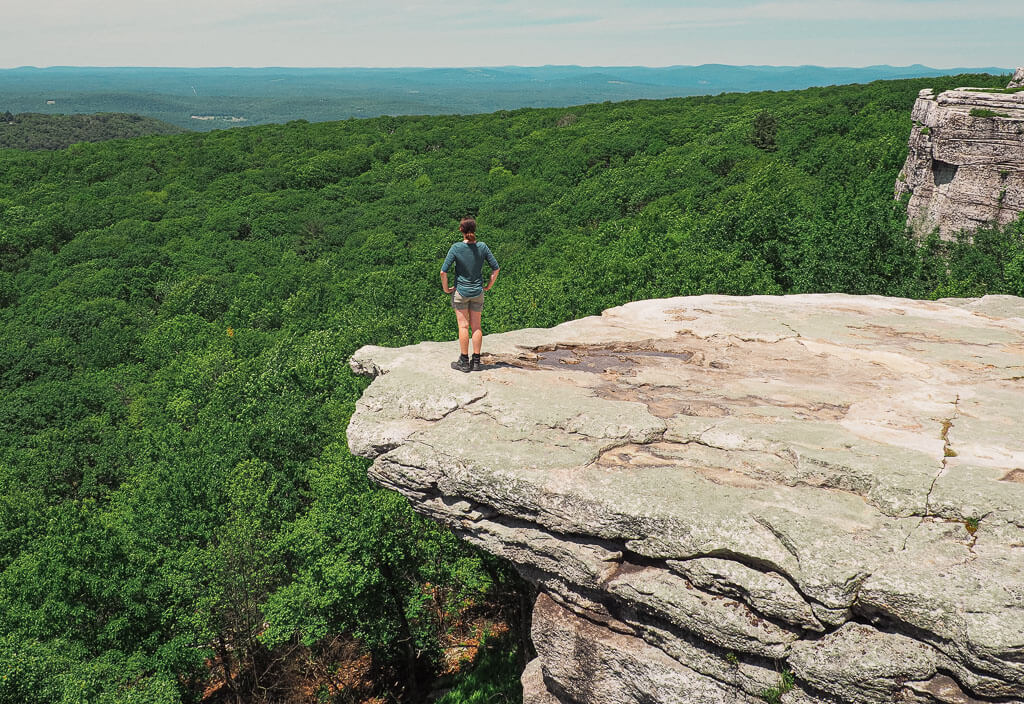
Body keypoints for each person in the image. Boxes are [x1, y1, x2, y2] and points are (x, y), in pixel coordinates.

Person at [440, 217, 499, 372]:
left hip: (461, 291)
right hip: (477, 291)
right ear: (474, 229)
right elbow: (496, 269)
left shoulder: (456, 248)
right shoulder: (483, 247)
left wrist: (446, 289)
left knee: (463, 326)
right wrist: (488, 286)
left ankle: (464, 362)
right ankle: (477, 362)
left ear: (461, 230)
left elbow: (443, 272)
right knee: (477, 326)